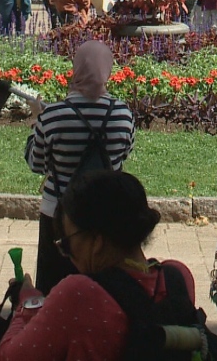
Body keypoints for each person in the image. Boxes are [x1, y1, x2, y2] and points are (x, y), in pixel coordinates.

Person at [0, 170, 195, 361]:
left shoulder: (79, 293)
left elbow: (8, 357)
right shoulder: (177, 277)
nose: (67, 254)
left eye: (66, 243)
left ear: (97, 241)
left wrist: (27, 304)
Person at [24, 41, 135, 294]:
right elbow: (124, 154)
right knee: (104, 286)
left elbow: (36, 163)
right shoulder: (122, 114)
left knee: (54, 286)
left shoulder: (52, 116)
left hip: (59, 212)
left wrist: (36, 122)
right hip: (108, 212)